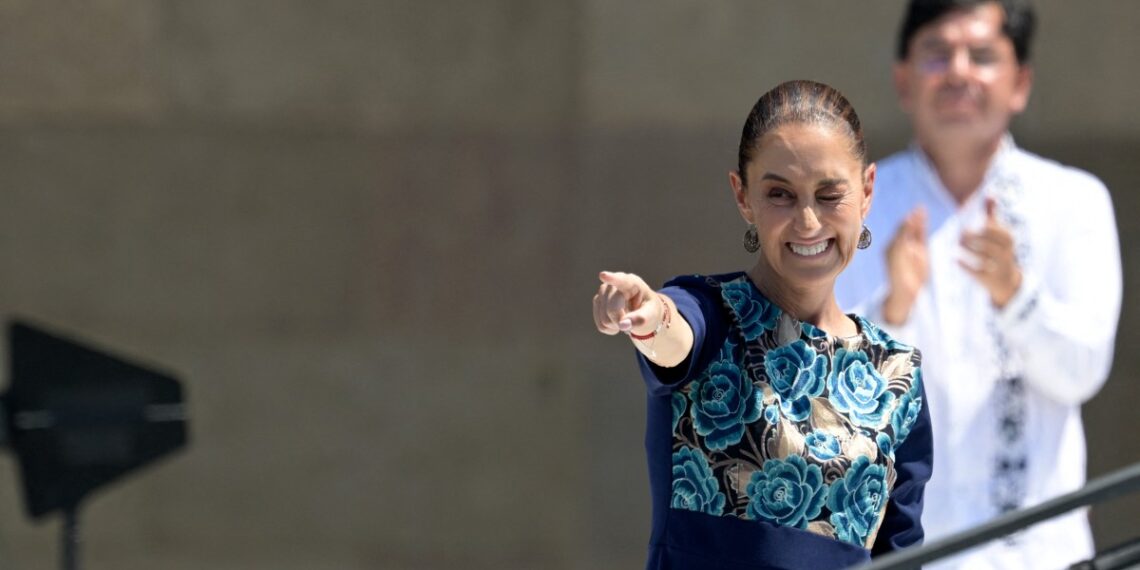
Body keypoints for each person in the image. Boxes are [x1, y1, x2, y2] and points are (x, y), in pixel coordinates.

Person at [592, 80, 932, 570]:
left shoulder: (897, 375)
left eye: (829, 193)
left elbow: (901, 554)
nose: (808, 221)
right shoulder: (710, 312)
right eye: (780, 194)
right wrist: (648, 318)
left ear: (867, 191)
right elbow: (675, 336)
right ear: (743, 196)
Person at [834, 1, 1123, 568]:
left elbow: (1082, 370)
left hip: (1042, 556)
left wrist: (1016, 297)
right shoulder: (852, 211)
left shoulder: (1074, 201)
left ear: (1020, 83)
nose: (960, 71)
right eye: (938, 54)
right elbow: (828, 408)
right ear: (903, 79)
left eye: (983, 56)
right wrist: (891, 310)